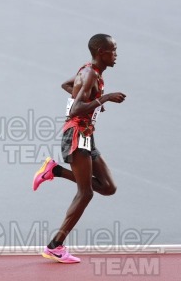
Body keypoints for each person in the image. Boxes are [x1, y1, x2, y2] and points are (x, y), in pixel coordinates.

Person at [33, 34, 126, 263]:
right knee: (86, 193)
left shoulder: (89, 72)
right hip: (76, 135)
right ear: (100, 52)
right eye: (113, 50)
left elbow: (67, 85)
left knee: (108, 187)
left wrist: (92, 101)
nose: (116, 54)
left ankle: (54, 171)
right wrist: (103, 99)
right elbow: (75, 109)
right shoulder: (90, 74)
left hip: (87, 136)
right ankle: (55, 245)